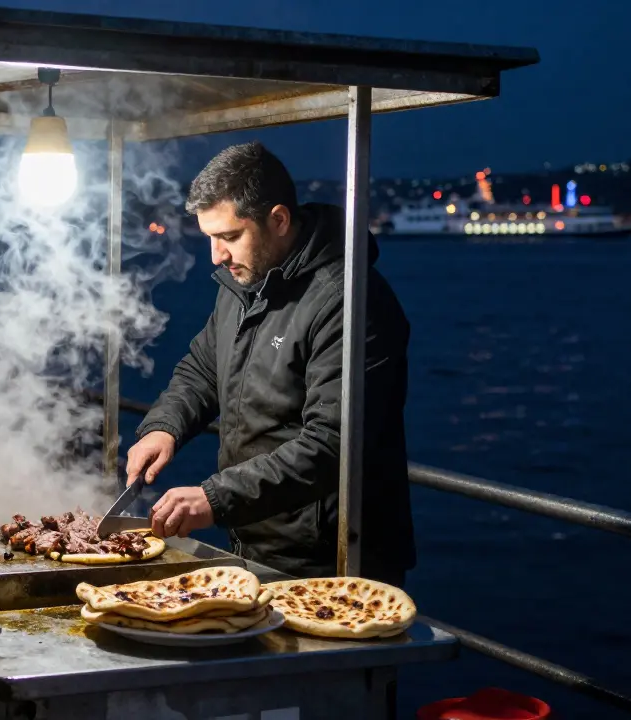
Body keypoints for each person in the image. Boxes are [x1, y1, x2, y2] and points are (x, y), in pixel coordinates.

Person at [125, 142, 415, 587]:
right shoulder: (242, 284)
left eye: (228, 237)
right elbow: (202, 369)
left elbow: (333, 444)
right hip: (254, 543)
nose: (216, 256)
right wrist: (163, 426)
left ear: (278, 220)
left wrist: (215, 498)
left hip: (333, 562)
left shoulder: (349, 300)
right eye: (209, 238)